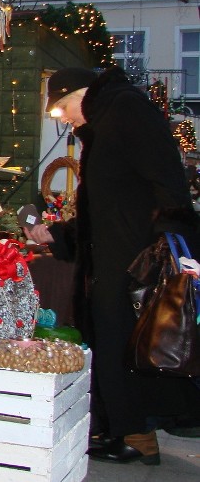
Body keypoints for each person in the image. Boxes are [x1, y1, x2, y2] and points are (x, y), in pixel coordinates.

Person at [25, 66, 200, 465]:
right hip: (116, 255)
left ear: (83, 92)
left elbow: (168, 185)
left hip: (134, 260)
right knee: (117, 341)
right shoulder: (107, 122)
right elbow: (106, 204)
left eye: (65, 107)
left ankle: (134, 432)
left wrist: (163, 252)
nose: (65, 117)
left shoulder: (126, 111)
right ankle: (124, 428)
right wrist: (61, 234)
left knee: (127, 340)